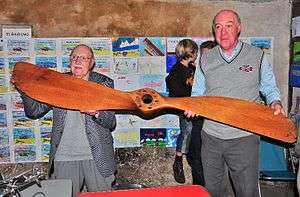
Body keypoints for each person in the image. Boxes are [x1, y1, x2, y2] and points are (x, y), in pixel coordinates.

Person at [185, 10, 285, 197]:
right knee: (213, 191)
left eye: (229, 26)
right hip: (211, 138)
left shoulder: (257, 56)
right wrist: (193, 105)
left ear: (239, 28)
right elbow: (197, 93)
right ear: (214, 31)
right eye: (218, 27)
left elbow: (270, 88)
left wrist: (275, 101)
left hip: (244, 138)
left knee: (247, 192)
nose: (223, 32)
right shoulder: (205, 59)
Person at [13, 44, 117, 197]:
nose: (78, 61)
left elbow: (110, 122)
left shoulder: (103, 83)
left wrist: (97, 113)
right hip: (64, 156)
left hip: (96, 156)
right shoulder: (57, 82)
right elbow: (34, 111)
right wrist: (24, 89)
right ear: (70, 61)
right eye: (74, 57)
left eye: (83, 58)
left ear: (92, 63)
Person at [165, 39, 199, 184]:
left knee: (193, 133)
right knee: (186, 131)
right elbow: (174, 89)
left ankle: (191, 158)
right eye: (195, 52)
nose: (197, 55)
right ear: (190, 53)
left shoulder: (192, 68)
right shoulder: (177, 70)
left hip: (195, 107)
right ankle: (178, 161)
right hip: (184, 108)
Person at [187, 40, 217, 186]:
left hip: (214, 124)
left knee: (211, 163)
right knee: (195, 158)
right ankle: (198, 190)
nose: (205, 59)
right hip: (199, 122)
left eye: (208, 55)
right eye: (203, 55)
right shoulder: (199, 72)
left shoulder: (220, 76)